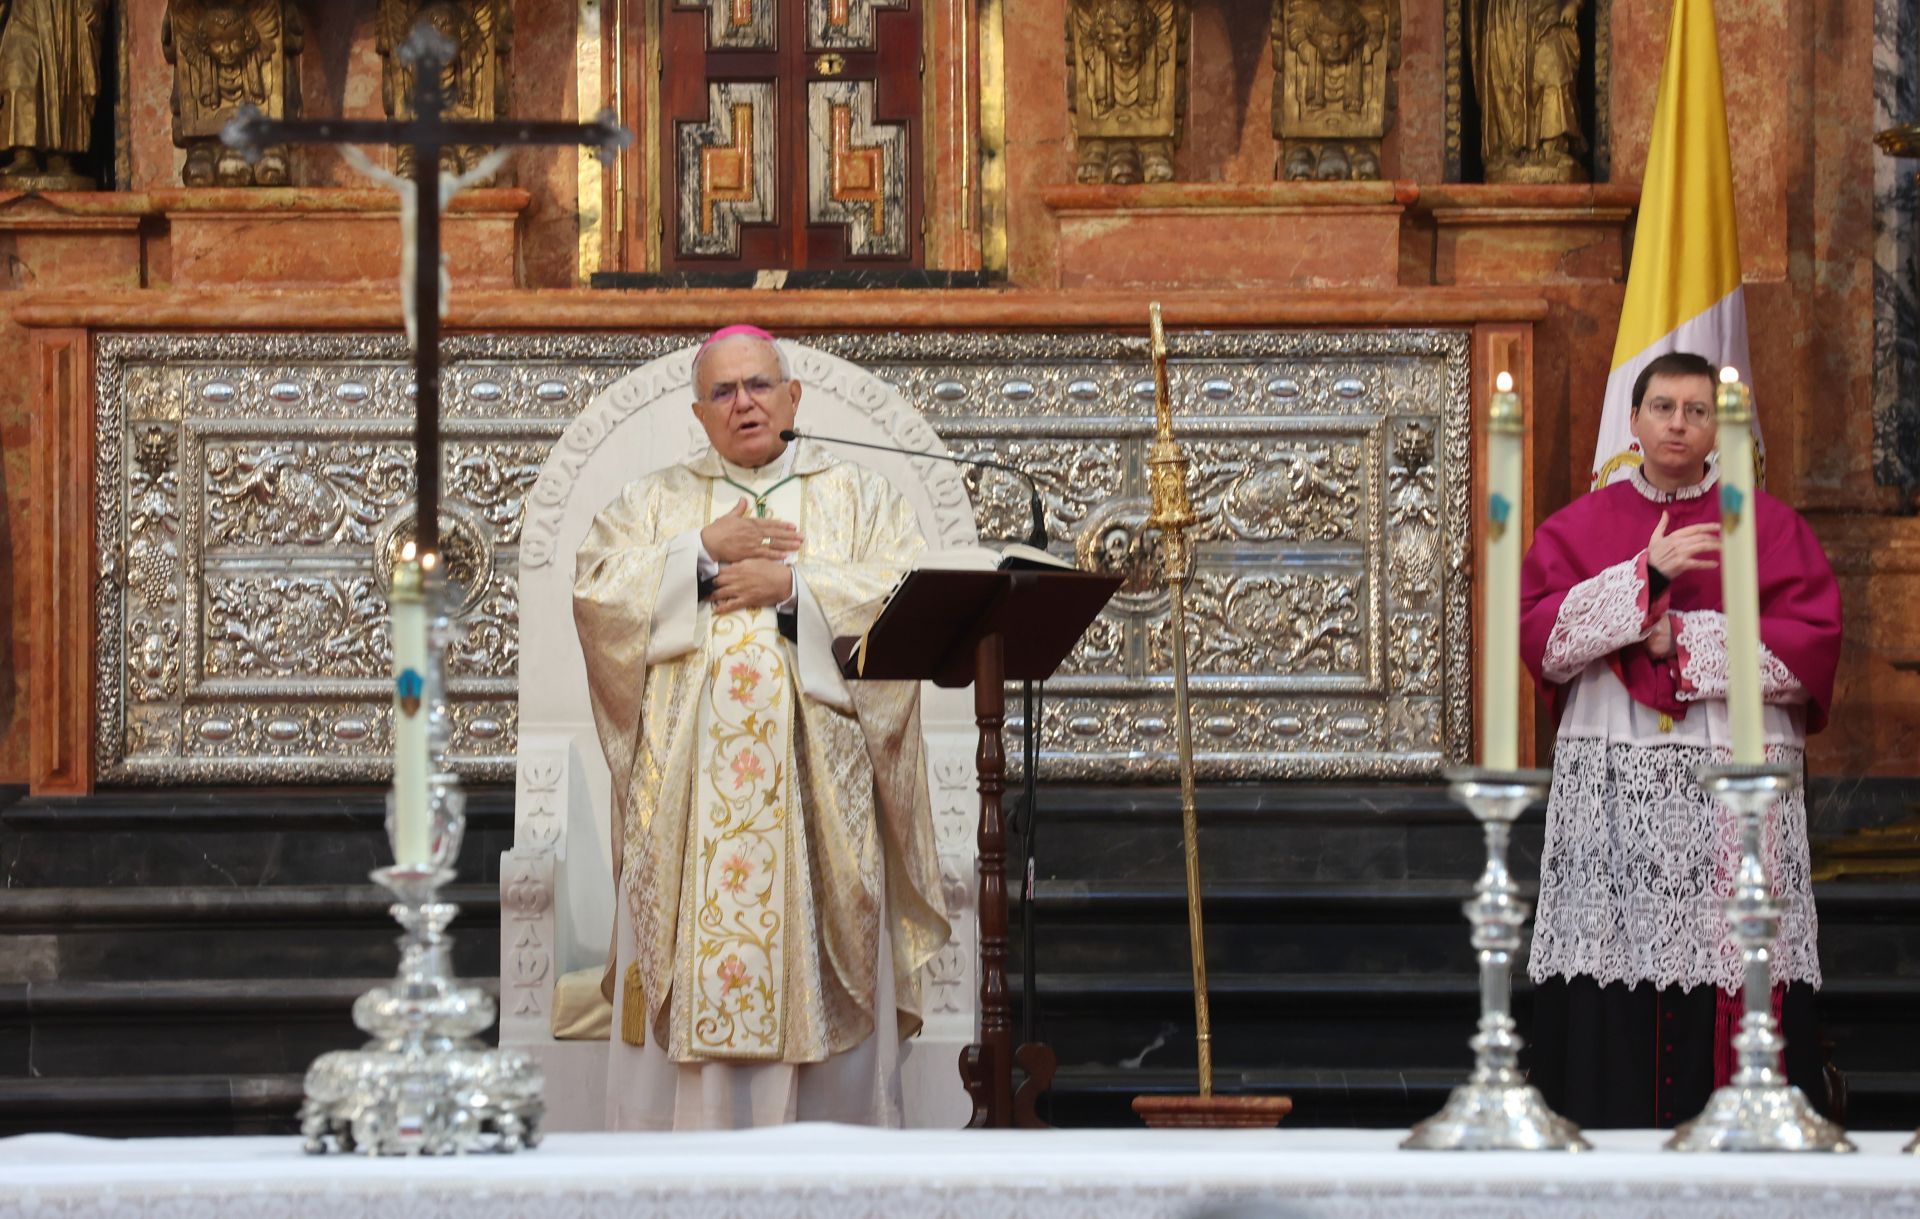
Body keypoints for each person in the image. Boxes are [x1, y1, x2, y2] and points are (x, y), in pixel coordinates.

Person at [573, 324, 950, 1130]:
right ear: (700, 414)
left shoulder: (859, 496)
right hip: (686, 816)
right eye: (723, 391)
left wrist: (793, 585)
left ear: (793, 398)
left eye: (758, 385)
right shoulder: (656, 501)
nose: (743, 402)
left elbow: (907, 594)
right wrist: (698, 556)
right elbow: (598, 593)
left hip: (819, 810)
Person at [1519, 351, 1842, 1128]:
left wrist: (1683, 643)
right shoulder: (1578, 527)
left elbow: (1810, 656)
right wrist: (1642, 577)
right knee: (1614, 972)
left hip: (1730, 796)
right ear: (1632, 422)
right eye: (1663, 407)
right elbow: (1545, 641)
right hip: (1617, 808)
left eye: (1697, 411)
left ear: (1718, 428)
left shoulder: (1768, 527)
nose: (1678, 424)